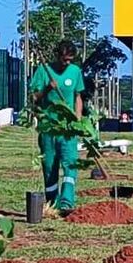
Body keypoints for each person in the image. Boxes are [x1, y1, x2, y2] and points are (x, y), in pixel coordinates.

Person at [29, 40, 86, 214]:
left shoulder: (75, 72)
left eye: (70, 60)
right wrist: (47, 89)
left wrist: (77, 120)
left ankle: (67, 202)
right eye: (64, 60)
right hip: (48, 127)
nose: (67, 63)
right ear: (57, 56)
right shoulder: (43, 71)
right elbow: (33, 98)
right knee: (49, 166)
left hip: (67, 128)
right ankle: (52, 202)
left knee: (71, 164)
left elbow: (78, 97)